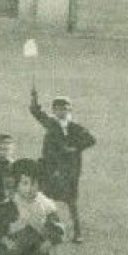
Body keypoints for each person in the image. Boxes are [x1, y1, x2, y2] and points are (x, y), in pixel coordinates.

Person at [28, 90, 96, 242]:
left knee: (71, 201)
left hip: (69, 170)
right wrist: (34, 98)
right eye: (58, 109)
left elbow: (91, 140)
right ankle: (47, 228)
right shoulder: (51, 123)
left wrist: (75, 148)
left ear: (69, 110)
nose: (61, 112)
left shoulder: (75, 127)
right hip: (50, 167)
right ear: (53, 110)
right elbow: (36, 112)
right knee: (45, 198)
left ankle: (78, 232)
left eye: (64, 109)